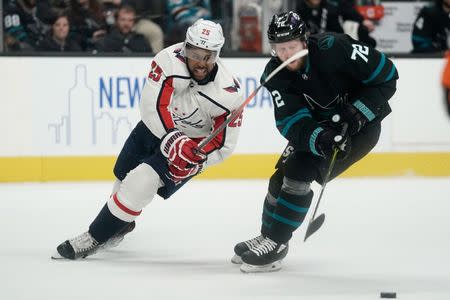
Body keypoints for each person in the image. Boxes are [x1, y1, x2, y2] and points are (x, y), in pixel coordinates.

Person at [52, 19, 244, 260]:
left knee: (139, 183)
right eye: (195, 53)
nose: (200, 62)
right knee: (123, 176)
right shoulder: (167, 59)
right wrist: (173, 139)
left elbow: (224, 145)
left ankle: (94, 236)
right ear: (185, 46)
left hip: (190, 147)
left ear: (217, 54)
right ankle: (123, 223)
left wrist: (198, 160)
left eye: (208, 56)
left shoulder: (229, 94)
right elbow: (153, 106)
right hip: (156, 128)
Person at [232, 11, 398, 273]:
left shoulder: (336, 48)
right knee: (279, 179)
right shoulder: (274, 74)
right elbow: (291, 121)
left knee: (299, 171)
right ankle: (268, 237)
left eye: (292, 47)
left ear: (305, 41)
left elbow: (387, 76)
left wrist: (357, 113)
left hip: (362, 129)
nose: (286, 54)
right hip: (322, 128)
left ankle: (276, 243)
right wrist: (320, 138)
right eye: (279, 48)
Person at [295, 0, 376, 47]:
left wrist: (362, 20)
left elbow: (347, 10)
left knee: (365, 36)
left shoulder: (330, 4)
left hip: (336, 37)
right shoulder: (301, 7)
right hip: (314, 41)